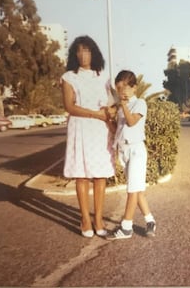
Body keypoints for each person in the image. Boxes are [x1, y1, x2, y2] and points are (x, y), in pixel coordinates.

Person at [61, 35, 115, 238]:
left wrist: (108, 114)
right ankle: (85, 219)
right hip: (81, 128)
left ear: (94, 53)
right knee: (82, 175)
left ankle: (98, 219)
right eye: (80, 51)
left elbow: (112, 103)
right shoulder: (69, 77)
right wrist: (95, 114)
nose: (84, 55)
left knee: (100, 175)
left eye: (87, 50)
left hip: (100, 130)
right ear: (75, 54)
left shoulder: (104, 76)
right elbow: (69, 106)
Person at [107, 70, 156, 240]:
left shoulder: (140, 103)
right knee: (137, 190)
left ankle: (126, 227)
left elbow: (132, 121)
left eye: (126, 87)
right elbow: (118, 131)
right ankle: (150, 220)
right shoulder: (121, 108)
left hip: (136, 150)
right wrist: (108, 119)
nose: (123, 91)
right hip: (125, 151)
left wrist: (124, 106)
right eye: (119, 88)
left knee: (132, 190)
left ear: (135, 87)